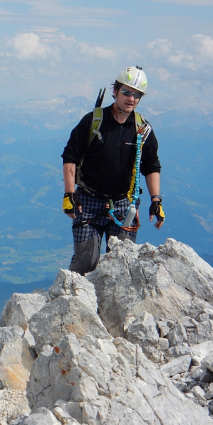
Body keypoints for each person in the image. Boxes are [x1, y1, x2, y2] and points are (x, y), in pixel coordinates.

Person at [61, 66, 165, 275]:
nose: (131, 99)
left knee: (121, 268)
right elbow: (70, 156)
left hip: (123, 204)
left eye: (137, 95)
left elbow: (151, 165)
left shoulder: (142, 129)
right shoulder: (93, 121)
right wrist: (69, 194)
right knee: (85, 263)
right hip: (88, 202)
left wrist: (156, 200)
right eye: (126, 92)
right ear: (115, 91)